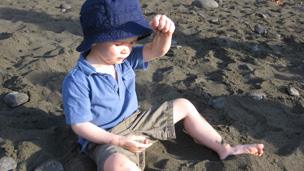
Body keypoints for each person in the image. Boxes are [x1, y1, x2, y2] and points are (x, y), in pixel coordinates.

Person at [62, 0, 264, 170]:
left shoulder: (124, 60)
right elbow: (80, 125)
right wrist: (118, 141)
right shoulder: (78, 79)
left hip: (137, 122)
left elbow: (155, 51)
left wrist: (165, 34)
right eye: (119, 43)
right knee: (117, 164)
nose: (126, 49)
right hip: (105, 137)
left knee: (183, 105)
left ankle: (224, 148)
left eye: (131, 42)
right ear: (95, 40)